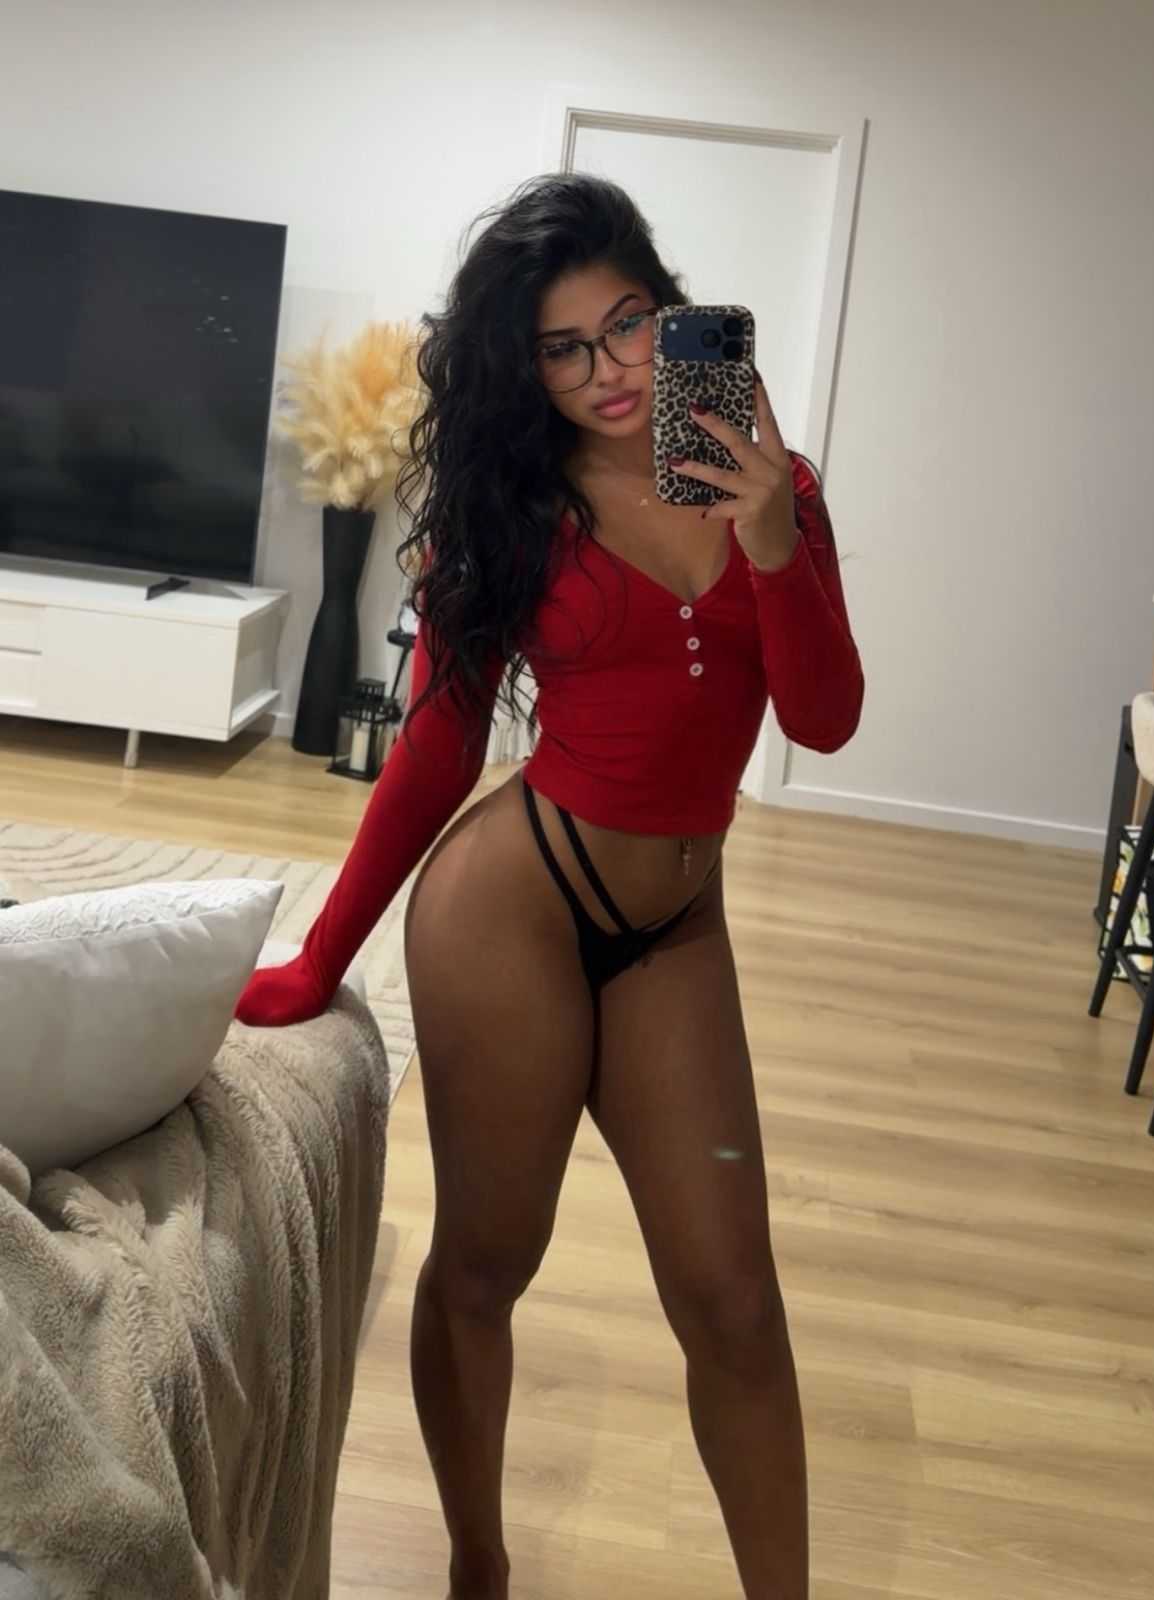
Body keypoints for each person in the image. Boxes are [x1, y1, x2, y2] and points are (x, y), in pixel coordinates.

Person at [237, 172, 864, 1600]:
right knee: (483, 1267)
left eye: (628, 325)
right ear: (526, 367)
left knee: (734, 1302)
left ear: (671, 309)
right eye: (563, 349)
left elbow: (824, 723)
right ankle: (478, 1567)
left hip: (678, 925)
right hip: (511, 913)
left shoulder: (770, 484)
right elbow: (440, 744)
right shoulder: (514, 506)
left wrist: (774, 544)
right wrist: (324, 954)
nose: (607, 372)